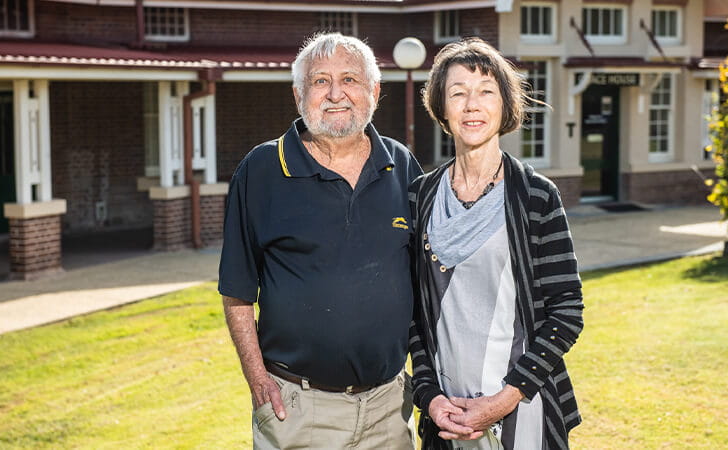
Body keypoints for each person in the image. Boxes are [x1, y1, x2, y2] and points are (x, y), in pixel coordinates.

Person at [219, 32, 422, 449]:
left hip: (388, 407)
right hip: (297, 408)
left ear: (374, 91)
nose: (335, 94)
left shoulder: (402, 166)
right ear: (299, 95)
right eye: (319, 81)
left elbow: (425, 284)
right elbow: (237, 291)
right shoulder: (261, 170)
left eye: (349, 79)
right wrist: (257, 379)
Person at [408, 38, 584, 450]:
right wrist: (429, 398)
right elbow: (413, 315)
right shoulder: (420, 197)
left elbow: (567, 310)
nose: (472, 104)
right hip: (446, 416)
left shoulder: (536, 196)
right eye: (458, 93)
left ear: (504, 104)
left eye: (486, 91)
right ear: (441, 107)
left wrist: (506, 398)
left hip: (522, 408)